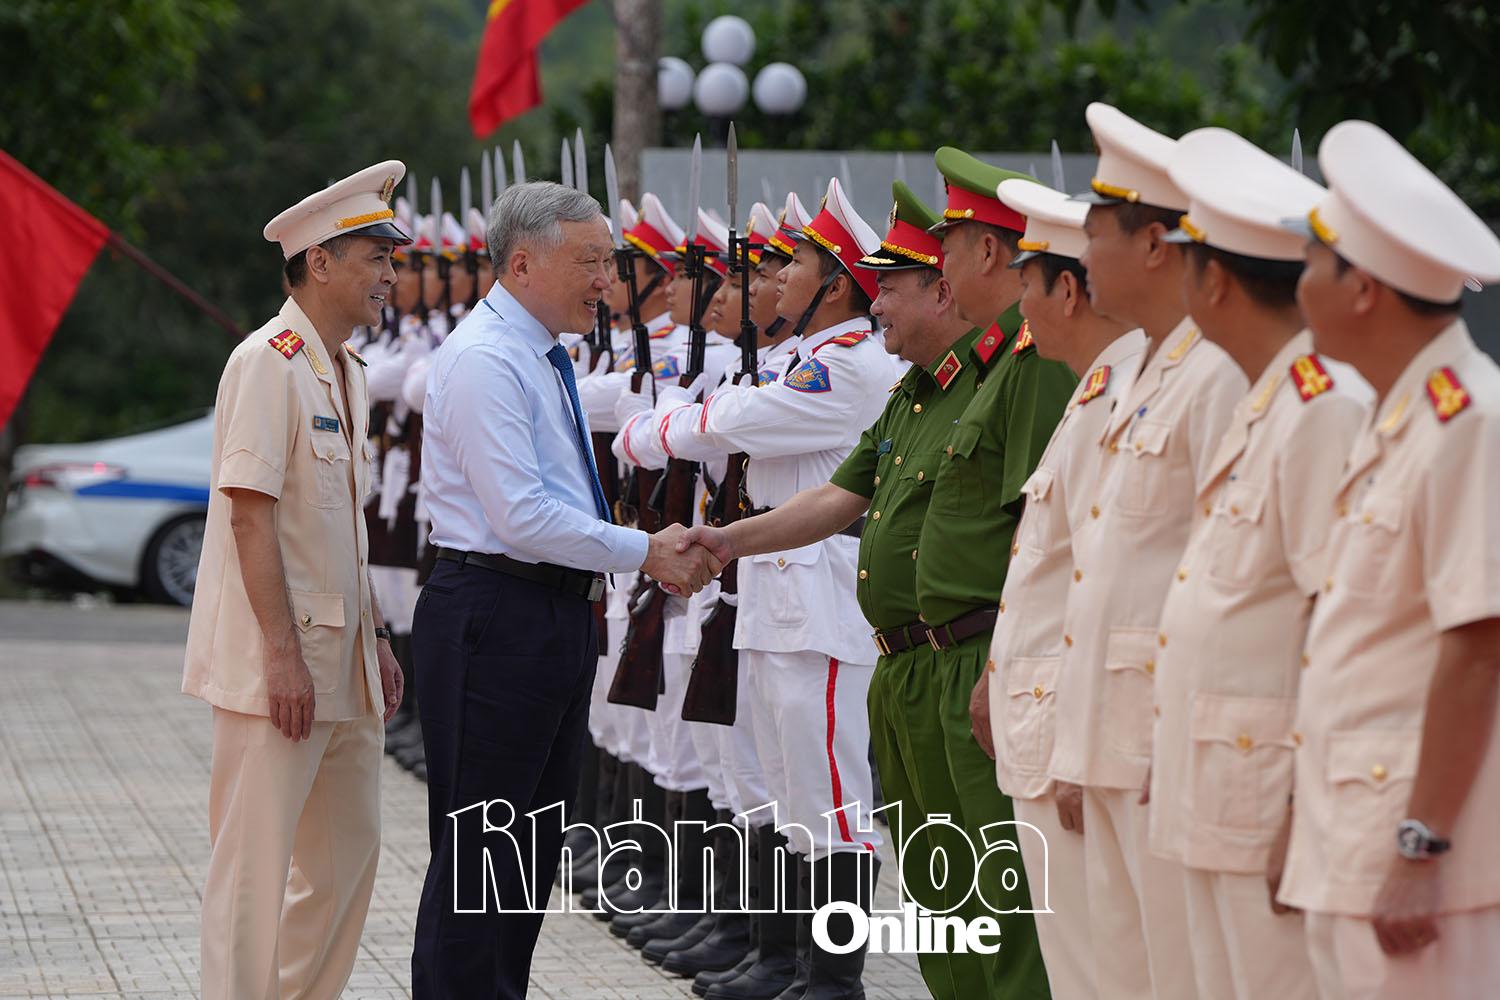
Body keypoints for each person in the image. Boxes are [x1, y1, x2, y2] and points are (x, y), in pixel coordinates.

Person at [409, 180, 718, 999]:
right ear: (520, 263)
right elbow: (521, 516)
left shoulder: (539, 354)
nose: (607, 282)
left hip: (543, 613)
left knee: (527, 847)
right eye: (589, 262)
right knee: (485, 850)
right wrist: (645, 549)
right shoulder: (486, 360)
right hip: (496, 611)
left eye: (610, 263)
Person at [653, 177, 897, 1000]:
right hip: (775, 600)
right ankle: (782, 960)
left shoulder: (851, 370)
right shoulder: (803, 359)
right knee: (788, 794)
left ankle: (835, 978)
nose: (777, 278)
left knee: (833, 801)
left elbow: (729, 426)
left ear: (838, 285)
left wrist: (671, 424)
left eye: (796, 263)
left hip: (824, 608)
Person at [1142, 127, 1372, 1000]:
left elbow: (1335, 623)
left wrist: (1296, 809)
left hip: (1264, 791)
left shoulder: (1320, 410)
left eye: (1188, 258)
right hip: (1215, 776)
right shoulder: (1263, 400)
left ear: (1218, 280)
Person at [1274, 121, 1500, 1000]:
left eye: (1312, 267)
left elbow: (1478, 644)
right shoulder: (1397, 419)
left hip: (1419, 852)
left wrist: (1423, 845)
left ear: (1362, 289)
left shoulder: (1467, 421)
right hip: (1357, 831)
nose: (1296, 290)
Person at [183, 160, 410, 999]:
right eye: (374, 257)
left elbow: (342, 527)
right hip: (276, 669)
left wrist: (379, 638)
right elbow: (249, 514)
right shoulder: (266, 361)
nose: (390, 275)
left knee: (347, 863)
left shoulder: (346, 370)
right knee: (251, 870)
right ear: (320, 261)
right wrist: (281, 654)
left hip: (344, 663)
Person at [1047, 104, 1247, 1000]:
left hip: (1166, 742)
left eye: (1095, 235)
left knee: (1171, 976)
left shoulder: (1215, 375)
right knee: (1113, 973)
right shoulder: (1139, 372)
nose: (1081, 260)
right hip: (1110, 732)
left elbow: (1220, 580)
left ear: (1158, 244)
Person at [975, 177, 1144, 1000]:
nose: (1018, 310)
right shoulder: (1098, 390)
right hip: (1049, 727)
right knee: (1083, 963)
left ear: (1067, 290)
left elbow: (1112, 588)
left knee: (1106, 967)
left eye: (1026, 286)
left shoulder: (1130, 392)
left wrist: (1078, 740)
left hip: (1079, 737)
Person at [918, 147, 1076, 1000]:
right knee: (960, 898)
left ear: (988, 250)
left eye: (949, 243)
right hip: (953, 658)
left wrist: (1001, 667)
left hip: (988, 659)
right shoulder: (989, 361)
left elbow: (1034, 530)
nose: (937, 262)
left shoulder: (1034, 360)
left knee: (1005, 902)